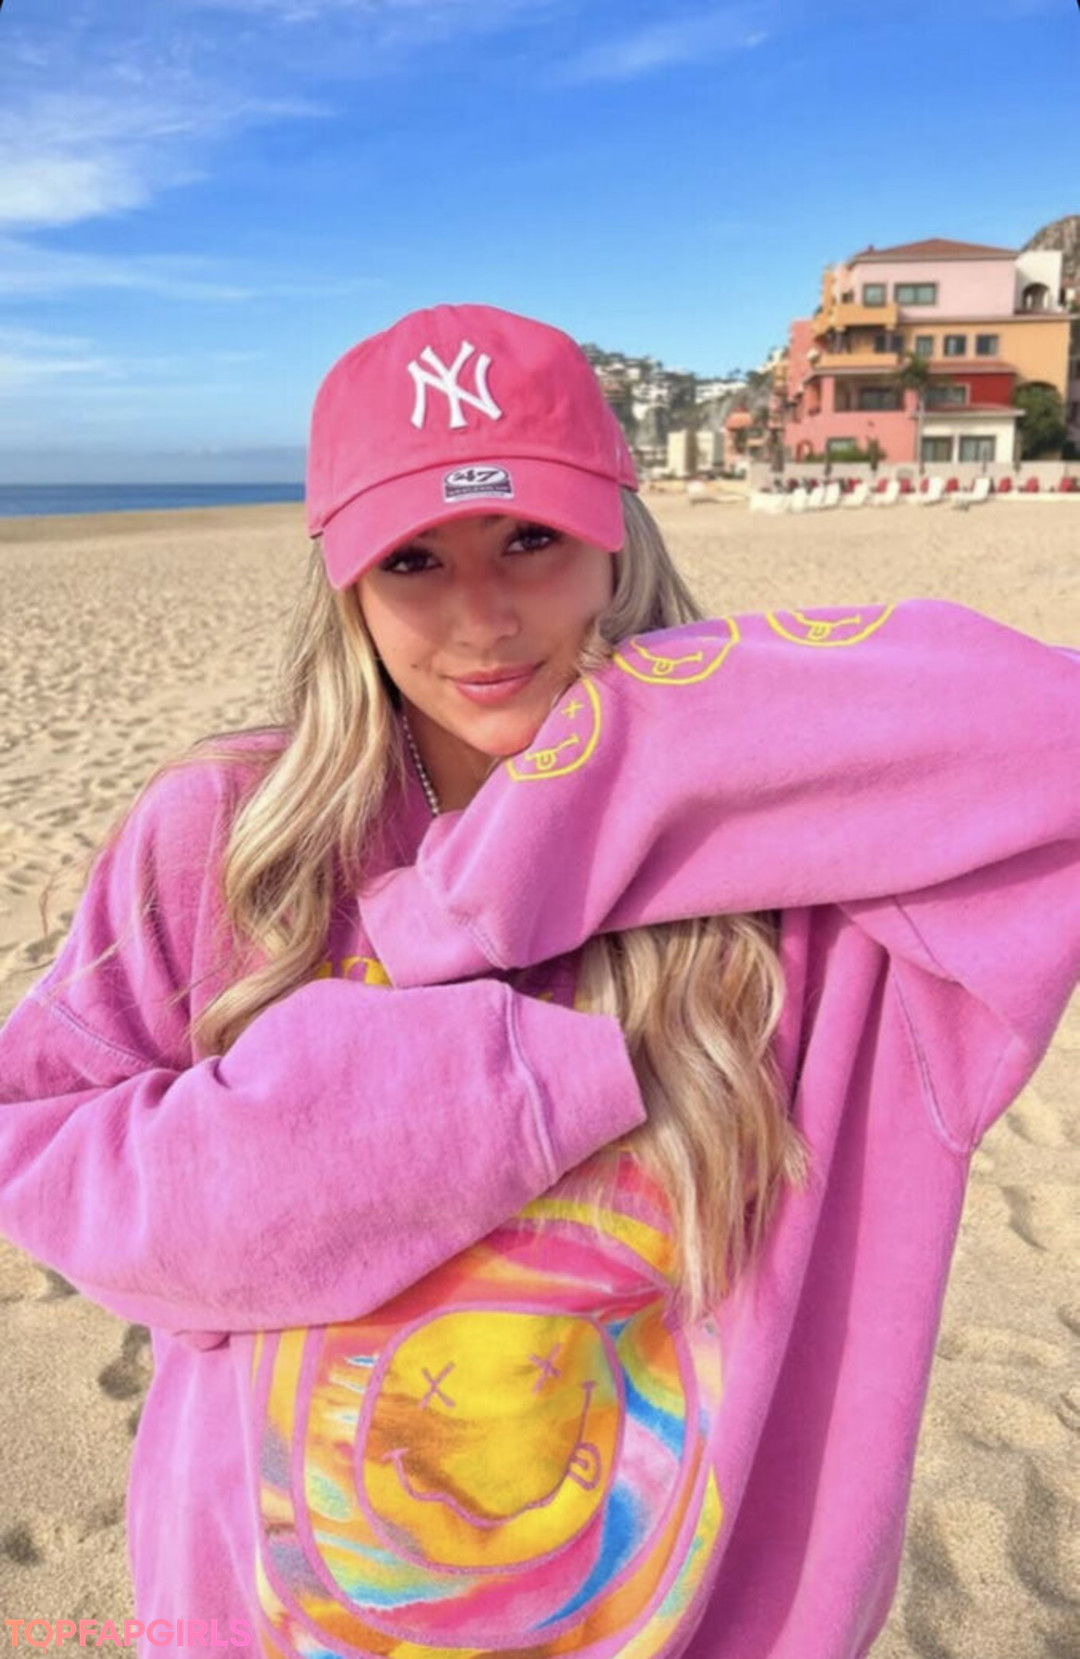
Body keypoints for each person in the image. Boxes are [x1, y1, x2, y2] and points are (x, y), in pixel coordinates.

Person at [0, 302, 1076, 1659]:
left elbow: (1050, 729)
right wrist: (475, 1083)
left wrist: (599, 777)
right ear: (346, 588)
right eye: (414, 561)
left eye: (530, 539)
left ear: (619, 540)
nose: (484, 618)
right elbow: (42, 1150)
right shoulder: (230, 838)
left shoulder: (814, 886)